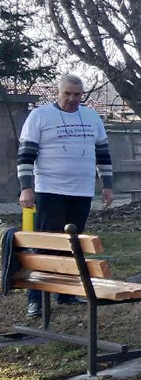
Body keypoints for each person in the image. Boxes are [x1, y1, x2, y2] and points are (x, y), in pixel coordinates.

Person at [17, 74, 114, 317]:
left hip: (82, 191)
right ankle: (36, 299)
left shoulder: (92, 117)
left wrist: (107, 185)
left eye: (77, 94)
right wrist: (26, 187)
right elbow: (26, 154)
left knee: (73, 245)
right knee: (46, 245)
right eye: (67, 93)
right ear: (58, 92)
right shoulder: (40, 116)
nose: (72, 99)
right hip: (50, 190)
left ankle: (66, 292)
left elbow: (103, 153)